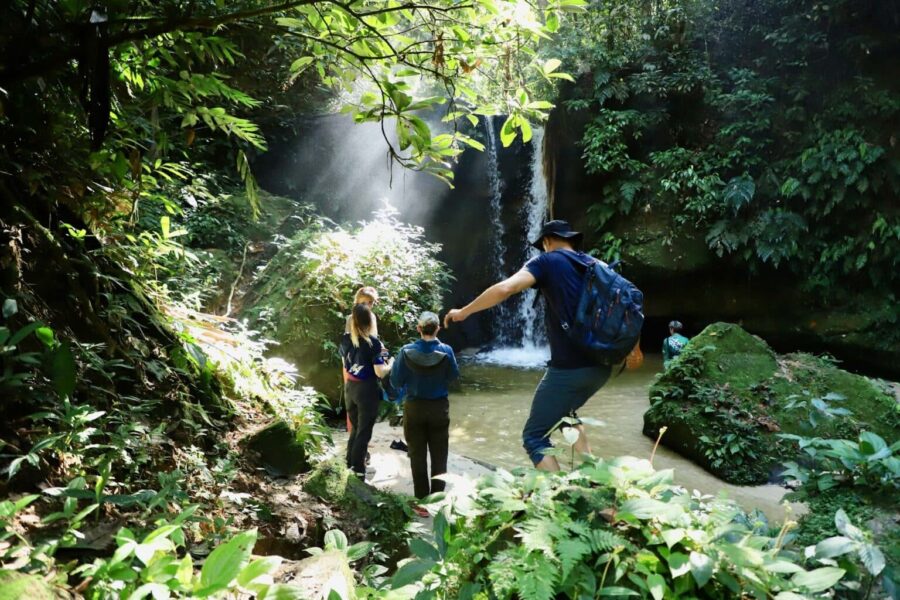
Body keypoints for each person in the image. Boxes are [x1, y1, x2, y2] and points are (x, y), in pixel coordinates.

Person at [444, 220, 611, 471]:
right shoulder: (597, 265)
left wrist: (465, 311)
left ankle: (558, 501)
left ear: (546, 241)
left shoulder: (546, 261)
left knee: (534, 437)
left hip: (569, 367)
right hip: (601, 366)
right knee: (567, 416)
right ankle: (601, 492)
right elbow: (627, 303)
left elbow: (507, 288)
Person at [390, 311, 460, 499]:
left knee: (417, 455)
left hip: (414, 408)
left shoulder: (405, 352)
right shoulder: (447, 350)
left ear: (418, 329)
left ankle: (421, 500)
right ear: (438, 328)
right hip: (439, 408)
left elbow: (395, 381)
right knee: (440, 456)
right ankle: (436, 497)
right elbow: (453, 377)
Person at [340, 303, 393, 479]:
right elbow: (380, 372)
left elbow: (345, 364)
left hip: (350, 388)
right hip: (366, 390)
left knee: (356, 428)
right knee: (364, 432)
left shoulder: (346, 339)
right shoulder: (373, 344)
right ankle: (357, 471)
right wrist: (390, 363)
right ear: (370, 322)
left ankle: (349, 463)